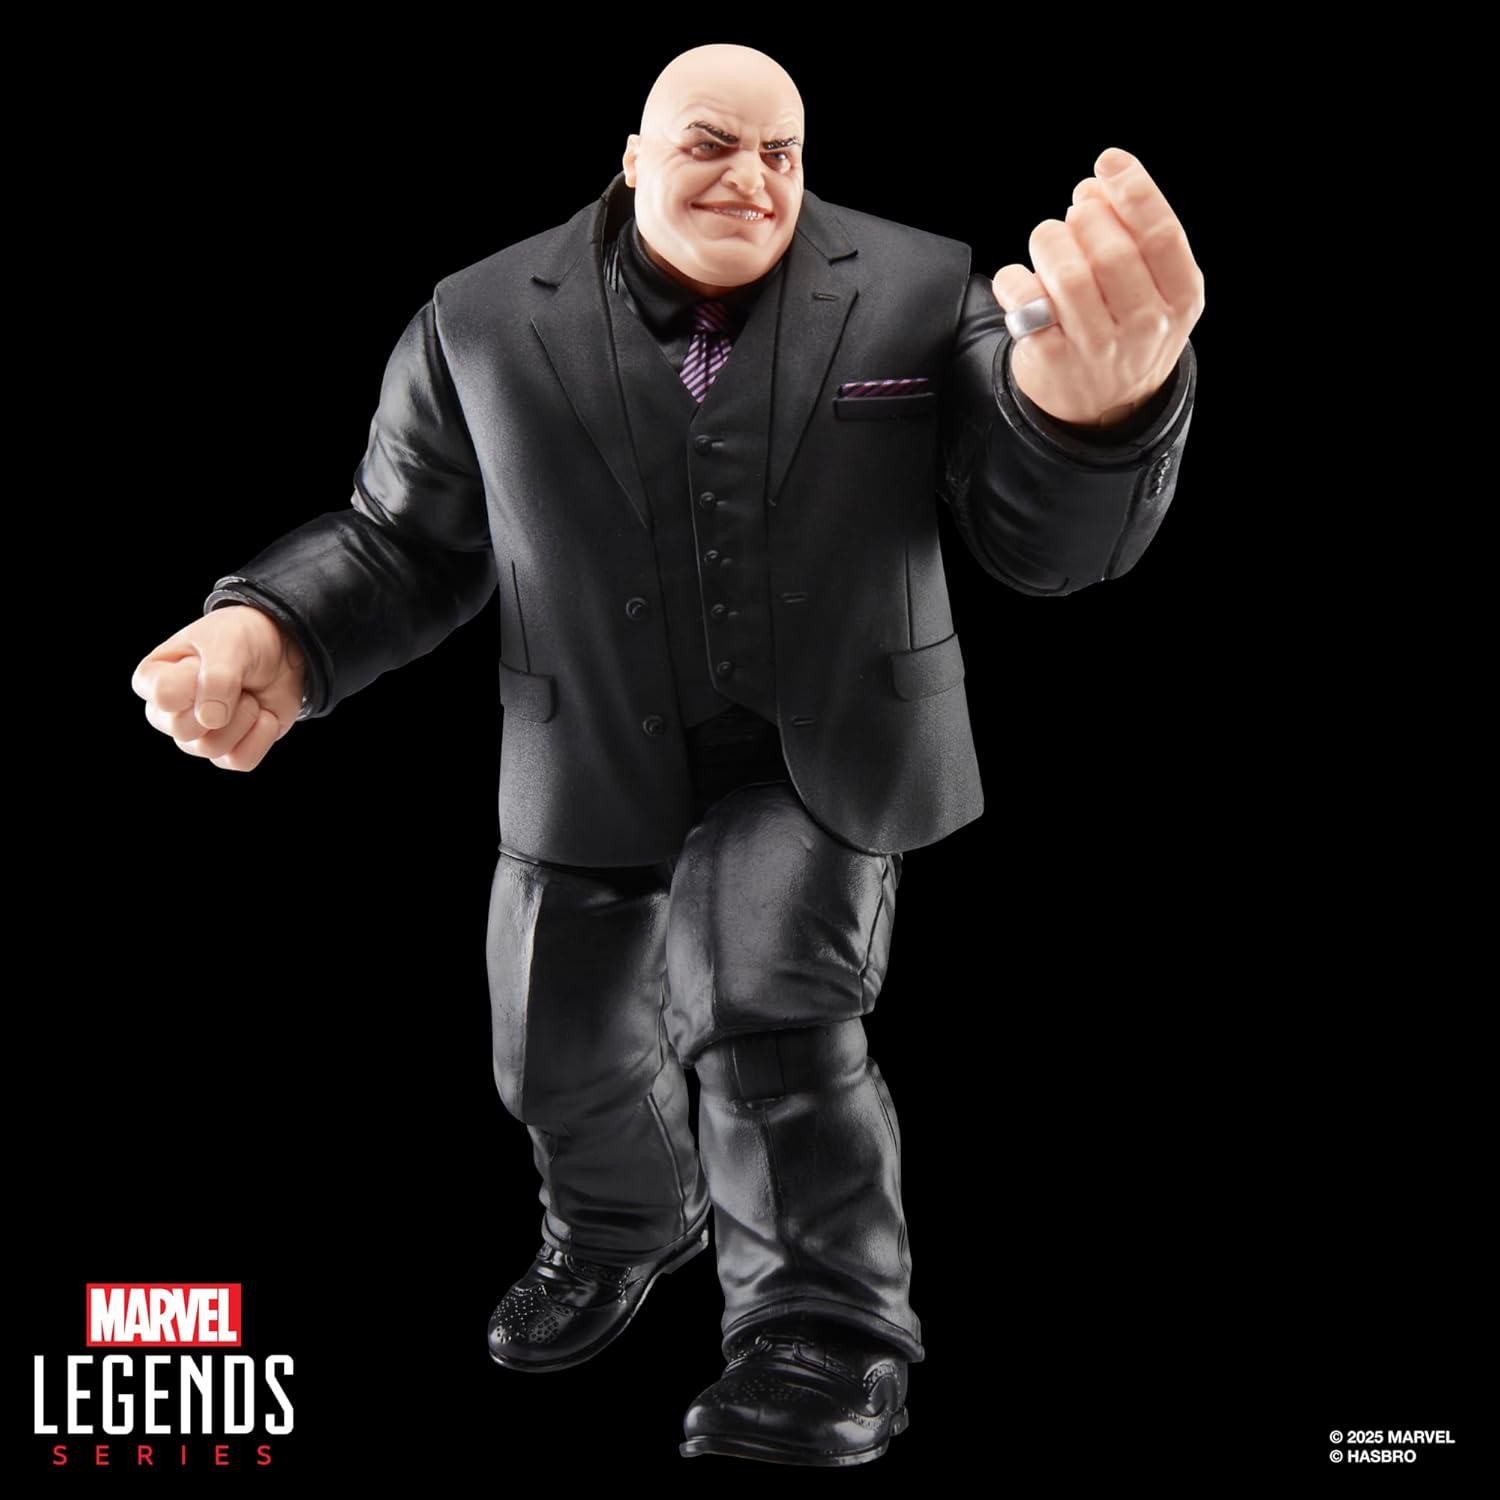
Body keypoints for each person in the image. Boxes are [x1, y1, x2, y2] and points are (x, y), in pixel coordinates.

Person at [132, 44, 1202, 1466]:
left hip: (819, 744)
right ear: (632, 156)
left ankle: (823, 1329)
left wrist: (1091, 417)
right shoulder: (477, 317)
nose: (751, 179)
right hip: (588, 736)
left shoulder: (916, 287)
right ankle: (624, 1224)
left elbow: (1038, 540)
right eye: (710, 143)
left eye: (782, 153)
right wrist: (273, 626)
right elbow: (404, 542)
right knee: (550, 1048)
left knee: (763, 1007)